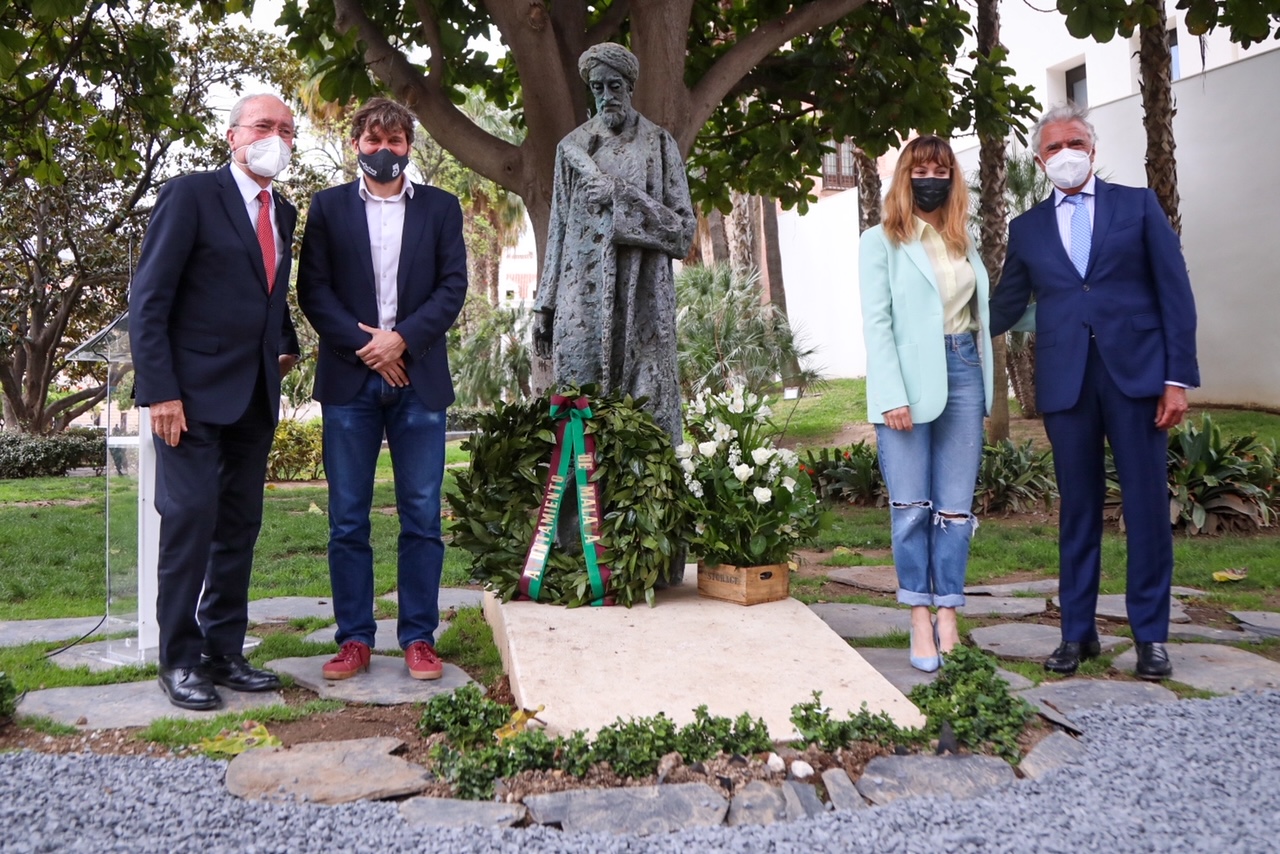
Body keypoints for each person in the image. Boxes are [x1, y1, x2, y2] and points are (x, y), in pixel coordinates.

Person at [989, 103, 1198, 681]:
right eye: (1053, 147)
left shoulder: (1137, 205)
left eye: (1073, 142)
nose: (1064, 154)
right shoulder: (1026, 228)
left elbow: (1175, 293)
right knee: (1077, 510)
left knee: (1146, 508)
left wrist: (1176, 378)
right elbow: (1006, 304)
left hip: (1137, 378)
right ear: (1039, 158)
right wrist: (950, 325)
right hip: (1067, 384)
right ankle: (1076, 634)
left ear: (1093, 149)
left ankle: (1151, 637)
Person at [129, 93, 300, 710]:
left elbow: (267, 292)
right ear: (232, 136)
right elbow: (148, 301)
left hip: (255, 395)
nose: (274, 137)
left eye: (285, 129)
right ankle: (178, 659)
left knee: (238, 528)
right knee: (190, 523)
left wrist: (285, 344)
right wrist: (160, 393)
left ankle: (222, 651)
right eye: (263, 126)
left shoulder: (283, 210)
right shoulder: (190, 195)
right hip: (189, 399)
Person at [296, 98, 468, 682]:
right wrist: (370, 348)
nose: (385, 151)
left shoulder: (442, 209)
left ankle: (419, 637)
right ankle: (355, 641)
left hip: (420, 382)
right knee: (348, 518)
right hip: (350, 381)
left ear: (409, 147)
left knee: (421, 514)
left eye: (395, 141)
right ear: (357, 146)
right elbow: (313, 291)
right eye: (374, 141)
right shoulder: (327, 208)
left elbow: (452, 288)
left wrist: (403, 342)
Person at [531, 43, 695, 586]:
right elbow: (556, 231)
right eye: (597, 86)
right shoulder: (570, 149)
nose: (606, 95)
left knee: (649, 418)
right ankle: (578, 559)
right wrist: (544, 301)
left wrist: (622, 196)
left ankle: (651, 557)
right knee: (581, 421)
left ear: (631, 85)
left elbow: (684, 232)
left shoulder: (659, 145)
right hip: (582, 304)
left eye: (614, 85)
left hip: (643, 301)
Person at [860, 135, 997, 673]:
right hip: (909, 384)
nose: (932, 176)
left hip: (964, 371)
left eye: (942, 168)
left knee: (956, 511)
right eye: (921, 168)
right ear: (904, 177)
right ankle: (918, 613)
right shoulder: (881, 241)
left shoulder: (964, 239)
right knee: (912, 508)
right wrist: (891, 393)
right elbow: (878, 322)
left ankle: (949, 615)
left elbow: (982, 312)